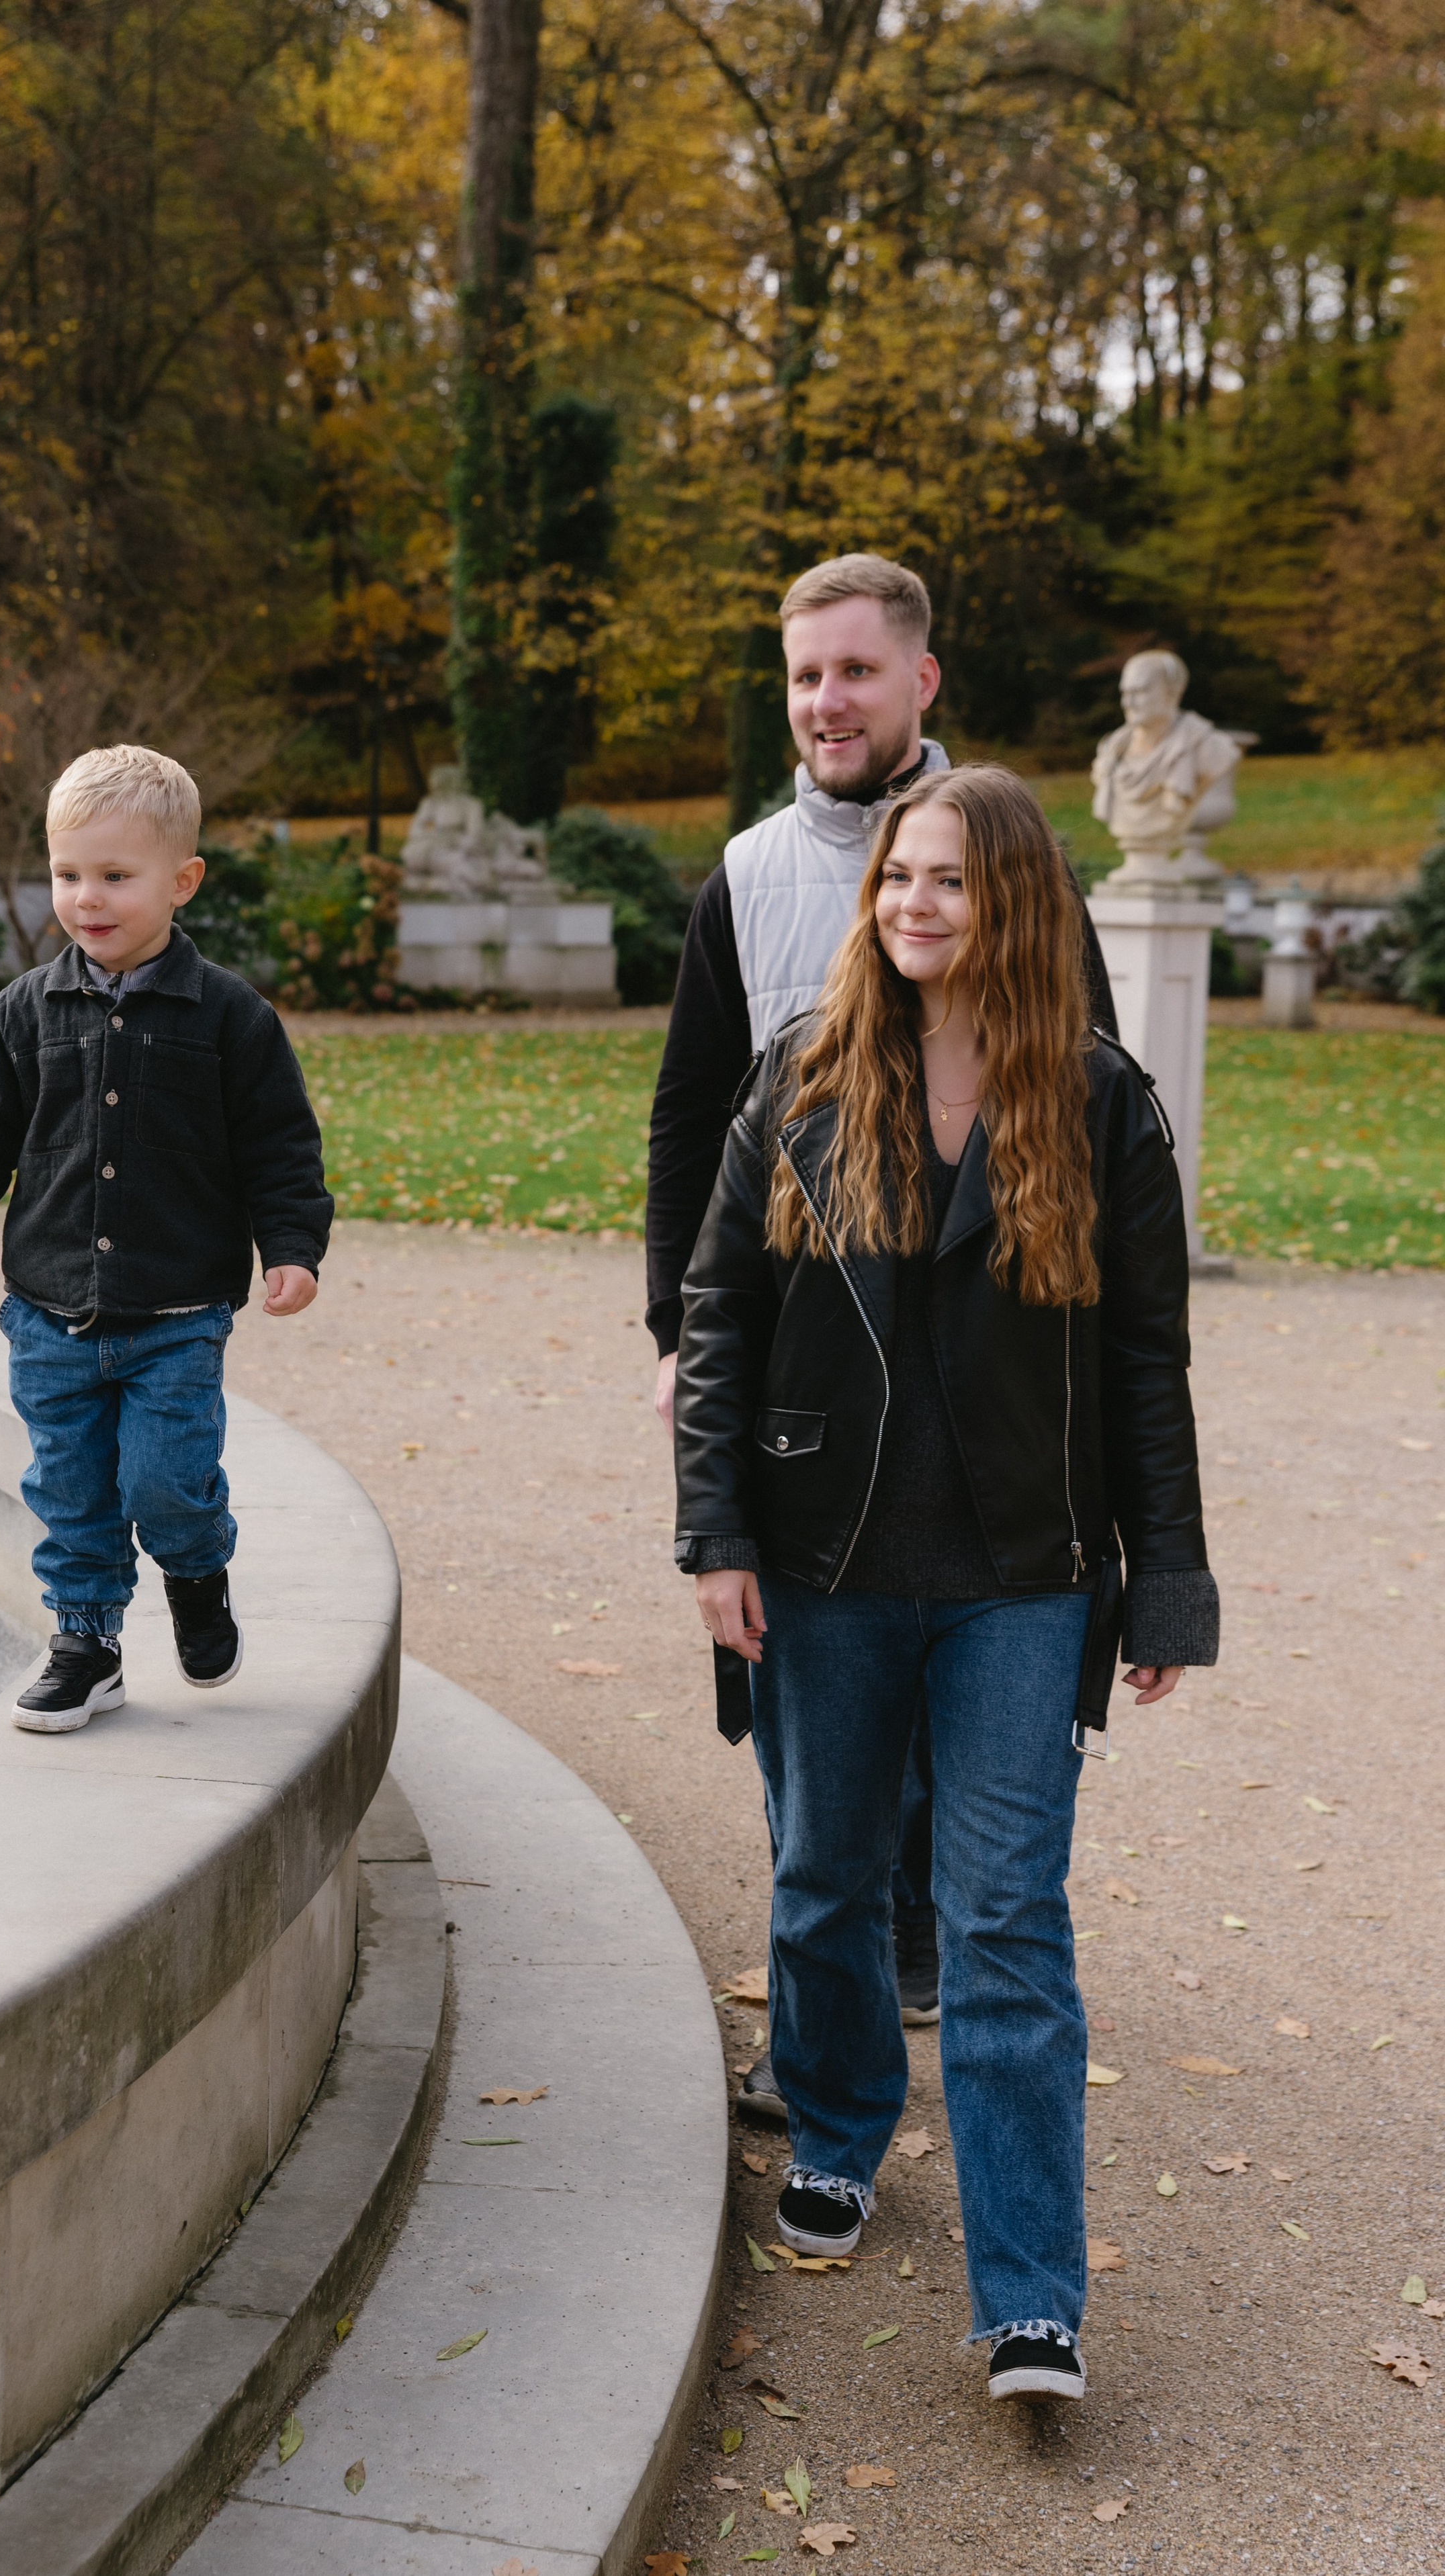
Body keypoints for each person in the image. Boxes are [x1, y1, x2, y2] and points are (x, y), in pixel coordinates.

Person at [672, 762, 1217, 2404]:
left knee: (1000, 1922)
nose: (913, 902)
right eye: (898, 877)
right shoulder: (802, 1076)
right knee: (824, 1876)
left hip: (1020, 1579)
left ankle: (1030, 2297)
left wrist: (1165, 1585)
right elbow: (718, 1317)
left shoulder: (1101, 1102)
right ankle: (836, 2128)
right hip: (821, 1562)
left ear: (1018, 907)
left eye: (951, 883)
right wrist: (716, 1536)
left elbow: (1144, 1364)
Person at [644, 553, 1119, 2112]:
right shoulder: (746, 869)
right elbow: (685, 1120)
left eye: (853, 671)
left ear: (920, 679)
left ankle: (922, 1947)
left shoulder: (1007, 859)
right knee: (807, 1710)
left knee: (951, 1641)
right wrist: (673, 1330)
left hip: (970, 1348)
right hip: (797, 1342)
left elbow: (1080, 1096)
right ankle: (826, 2017)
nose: (824, 701)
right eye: (801, 676)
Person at [0, 744, 333, 1732]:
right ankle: (86, 1645)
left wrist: (293, 1246)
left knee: (164, 1481)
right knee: (70, 1487)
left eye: (115, 876)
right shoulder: (20, 1015)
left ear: (182, 883)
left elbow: (278, 1144)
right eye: (67, 874)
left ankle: (196, 1567)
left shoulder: (229, 1019)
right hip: (47, 1314)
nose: (86, 898)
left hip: (178, 1312)